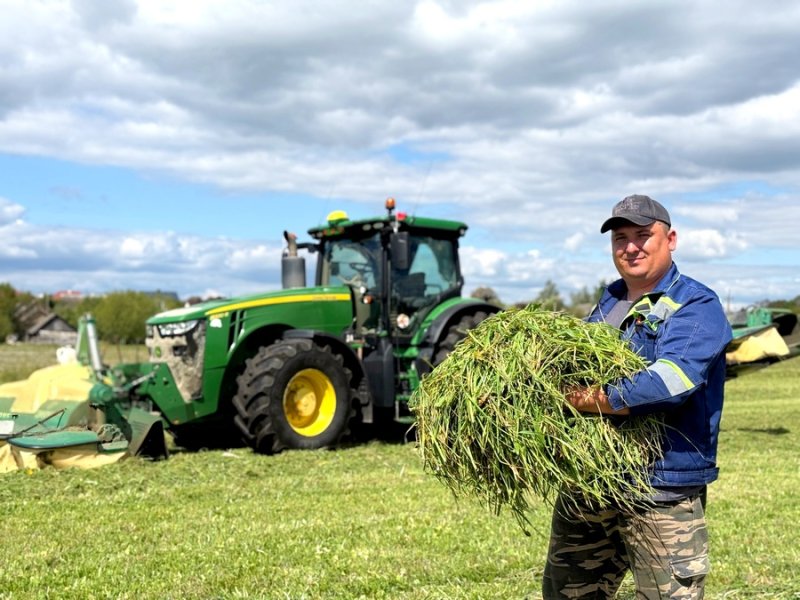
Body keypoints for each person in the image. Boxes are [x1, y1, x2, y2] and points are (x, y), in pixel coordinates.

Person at [541, 195, 733, 599]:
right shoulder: (609, 301)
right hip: (590, 483)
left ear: (671, 238)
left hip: (660, 489)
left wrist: (588, 399)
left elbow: (669, 382)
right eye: (620, 238)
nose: (630, 247)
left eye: (643, 235)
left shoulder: (696, 305)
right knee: (567, 593)